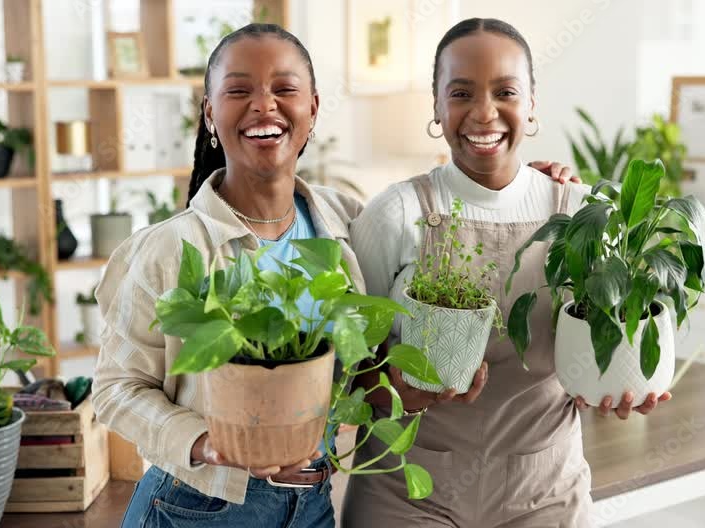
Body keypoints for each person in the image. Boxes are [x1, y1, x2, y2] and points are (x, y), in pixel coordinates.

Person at [92, 21, 579, 528]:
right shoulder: (170, 248)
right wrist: (208, 443)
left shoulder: (344, 222)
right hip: (196, 507)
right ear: (210, 112)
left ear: (313, 108)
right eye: (239, 91)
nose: (264, 105)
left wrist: (525, 189)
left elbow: (359, 375)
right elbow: (116, 389)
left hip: (311, 505)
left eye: (284, 89)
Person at [343, 18, 670, 528]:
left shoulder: (579, 213)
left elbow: (606, 337)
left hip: (545, 492)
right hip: (406, 493)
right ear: (436, 106)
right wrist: (395, 390)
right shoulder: (394, 213)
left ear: (531, 103)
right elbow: (344, 367)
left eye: (505, 92)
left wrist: (620, 385)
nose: (483, 112)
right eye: (461, 93)